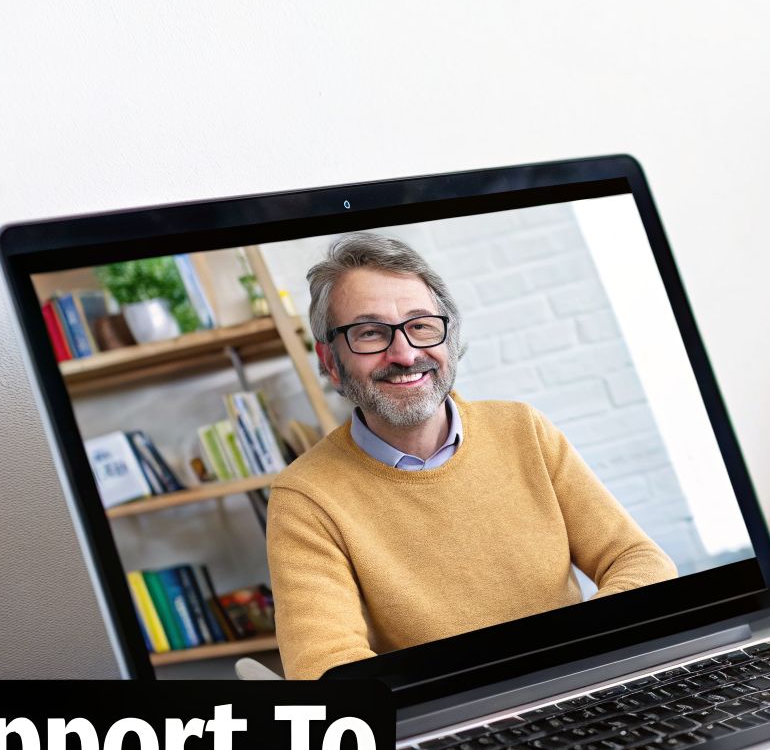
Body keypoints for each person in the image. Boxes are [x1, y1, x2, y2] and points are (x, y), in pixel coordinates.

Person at [266, 232, 676, 679]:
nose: (404, 354)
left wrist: (575, 654)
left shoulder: (523, 429)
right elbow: (325, 670)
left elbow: (639, 560)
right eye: (370, 333)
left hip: (577, 685)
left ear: (449, 336)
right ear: (330, 361)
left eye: (421, 325)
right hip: (446, 723)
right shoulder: (304, 498)